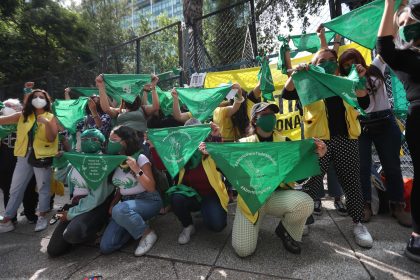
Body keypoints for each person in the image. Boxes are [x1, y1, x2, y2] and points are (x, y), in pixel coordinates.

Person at [282, 44, 374, 248]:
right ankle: (301, 220)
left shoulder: (346, 81)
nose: (327, 64)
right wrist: (296, 74)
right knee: (311, 182)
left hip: (347, 138)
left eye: (330, 60)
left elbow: (364, 102)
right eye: (321, 62)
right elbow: (287, 94)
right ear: (314, 66)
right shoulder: (309, 82)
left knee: (352, 183)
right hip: (318, 141)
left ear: (337, 64)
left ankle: (358, 223)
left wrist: (359, 78)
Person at [222, 102, 326, 256]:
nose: (270, 118)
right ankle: (251, 223)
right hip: (253, 202)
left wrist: (317, 154)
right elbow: (226, 170)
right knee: (243, 250)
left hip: (277, 197)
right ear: (254, 120)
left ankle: (285, 230)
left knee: (305, 203)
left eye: (272, 114)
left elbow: (301, 177)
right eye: (265, 115)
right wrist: (209, 152)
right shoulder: (243, 145)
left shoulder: (285, 142)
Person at [339, 49, 411, 226]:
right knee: (362, 167)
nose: (351, 67)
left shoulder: (375, 68)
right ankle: (365, 205)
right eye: (346, 66)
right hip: (362, 124)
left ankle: (397, 206)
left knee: (392, 166)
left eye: (353, 62)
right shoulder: (345, 82)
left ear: (361, 60)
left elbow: (386, 43)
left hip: (385, 122)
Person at [377, 0, 420, 262]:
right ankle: (417, 236)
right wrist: (390, 5)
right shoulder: (404, 58)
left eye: (410, 22)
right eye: (401, 24)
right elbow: (385, 47)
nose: (406, 28)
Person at [151, 119, 229, 245]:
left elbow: (226, 165)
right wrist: (155, 146)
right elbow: (162, 165)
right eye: (190, 133)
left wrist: (216, 139)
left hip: (211, 194)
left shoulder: (210, 147)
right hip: (191, 193)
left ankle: (206, 210)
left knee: (217, 226)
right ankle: (188, 226)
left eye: (197, 133)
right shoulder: (181, 152)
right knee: (176, 198)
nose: (193, 137)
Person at [47, 129, 114, 257]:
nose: (87, 142)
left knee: (72, 233)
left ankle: (98, 227)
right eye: (83, 139)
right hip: (76, 205)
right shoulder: (78, 159)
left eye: (93, 139)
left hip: (96, 207)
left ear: (102, 143)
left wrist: (71, 214)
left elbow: (96, 198)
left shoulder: (103, 162)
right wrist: (60, 163)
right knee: (53, 250)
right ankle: (82, 228)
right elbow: (60, 178)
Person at [0, 89, 58, 233]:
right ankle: (7, 219)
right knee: (15, 188)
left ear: (46, 100)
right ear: (30, 100)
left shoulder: (50, 116)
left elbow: (52, 138)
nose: (38, 99)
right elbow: (1, 120)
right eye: (35, 96)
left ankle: (42, 217)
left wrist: (46, 123)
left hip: (41, 156)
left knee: (43, 187)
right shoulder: (22, 115)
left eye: (41, 97)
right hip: (23, 155)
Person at [100, 126, 162, 256]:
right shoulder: (114, 160)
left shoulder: (140, 158)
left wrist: (136, 170)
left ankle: (147, 233)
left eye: (114, 139)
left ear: (125, 141)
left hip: (147, 200)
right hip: (126, 203)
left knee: (120, 210)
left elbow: (151, 187)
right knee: (106, 246)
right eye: (109, 139)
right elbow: (121, 187)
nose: (110, 142)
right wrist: (113, 203)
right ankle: (135, 224)